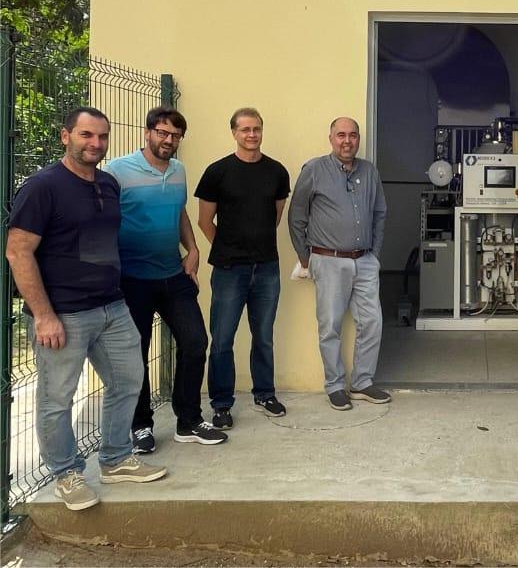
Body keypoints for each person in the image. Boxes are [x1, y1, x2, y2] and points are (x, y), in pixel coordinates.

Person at [5, 107, 167, 512]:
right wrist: (43, 315)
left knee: (129, 380)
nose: (95, 143)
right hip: (64, 314)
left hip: (112, 305)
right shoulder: (43, 187)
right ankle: (66, 474)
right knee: (57, 399)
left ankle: (114, 458)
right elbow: (18, 250)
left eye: (102, 137)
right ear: (66, 136)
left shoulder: (108, 184)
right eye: (86, 135)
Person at [105, 106, 227, 449]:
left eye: (175, 135)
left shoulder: (178, 171)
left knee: (195, 342)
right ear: (147, 133)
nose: (168, 140)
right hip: (131, 280)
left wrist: (192, 249)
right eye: (162, 133)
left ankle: (188, 421)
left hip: (173, 274)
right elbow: (104, 221)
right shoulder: (117, 171)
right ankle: (141, 425)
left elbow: (180, 213)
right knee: (136, 353)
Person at [195, 107, 291, 429]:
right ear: (234, 133)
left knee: (263, 336)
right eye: (245, 129)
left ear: (263, 131)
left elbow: (275, 217)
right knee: (222, 339)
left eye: (257, 129)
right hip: (228, 271)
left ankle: (265, 393)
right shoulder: (217, 172)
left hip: (267, 269)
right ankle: (221, 403)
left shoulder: (277, 172)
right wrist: (227, 249)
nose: (252, 135)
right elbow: (204, 221)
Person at [288, 117, 389, 411]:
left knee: (372, 322)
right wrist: (305, 257)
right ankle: (334, 386)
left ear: (358, 139)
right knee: (330, 325)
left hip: (365, 261)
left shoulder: (369, 171)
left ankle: (362, 383)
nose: (347, 141)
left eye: (353, 135)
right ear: (331, 138)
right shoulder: (314, 170)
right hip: (328, 260)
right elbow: (297, 216)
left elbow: (380, 212)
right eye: (341, 135)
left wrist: (375, 254)